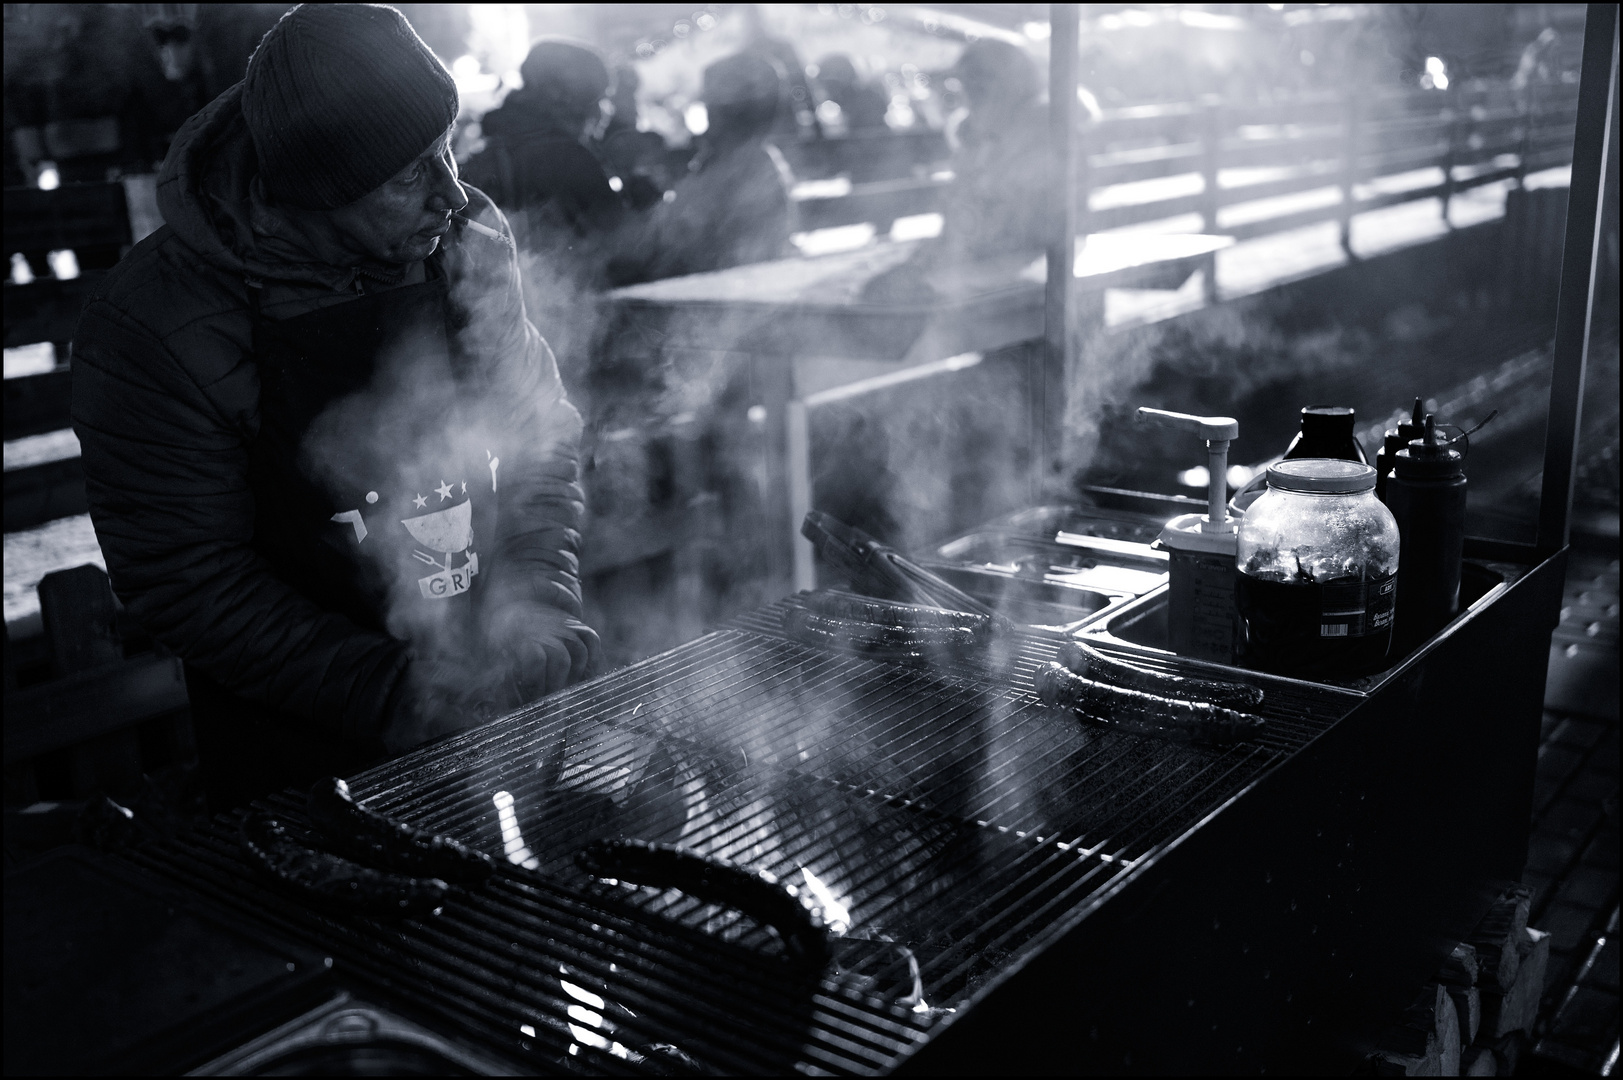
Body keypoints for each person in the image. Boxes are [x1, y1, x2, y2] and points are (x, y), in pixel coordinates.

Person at [71, 4, 598, 810]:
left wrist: (535, 598)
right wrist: (401, 694)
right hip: (293, 757)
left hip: (487, 708)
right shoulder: (156, 323)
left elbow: (538, 434)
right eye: (407, 174)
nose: (452, 194)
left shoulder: (462, 242)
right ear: (314, 191)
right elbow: (187, 577)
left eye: (447, 149)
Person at [634, 52, 795, 281]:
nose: (707, 110)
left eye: (711, 101)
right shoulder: (720, 161)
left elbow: (707, 247)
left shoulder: (746, 170)